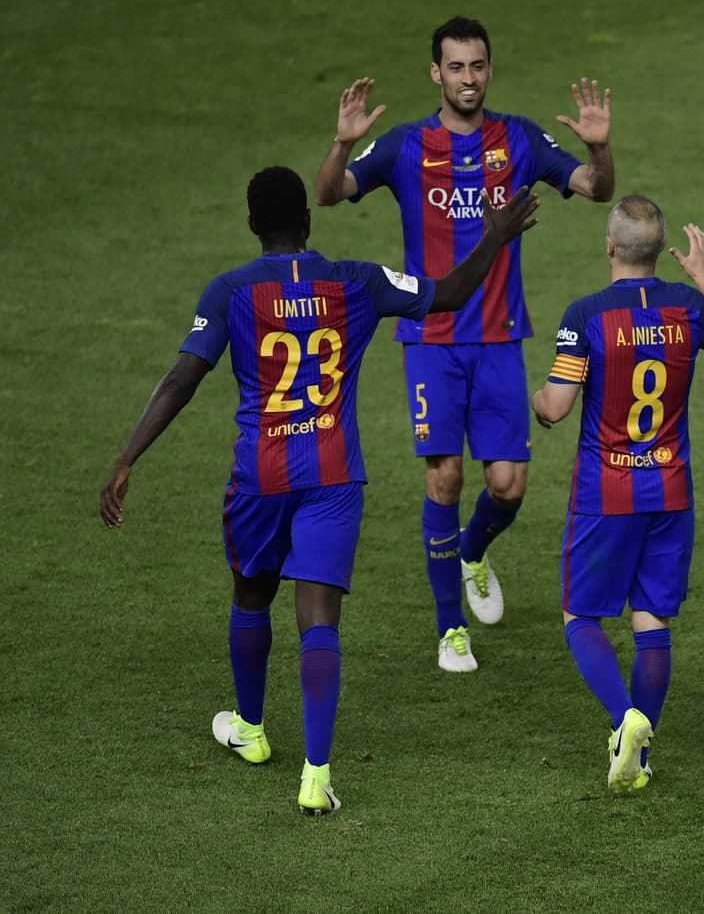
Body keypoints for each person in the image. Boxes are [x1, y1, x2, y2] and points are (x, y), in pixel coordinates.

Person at [99, 167, 538, 814]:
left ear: (254, 227)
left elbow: (181, 378)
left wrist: (128, 457)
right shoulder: (357, 281)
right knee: (319, 620)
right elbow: (447, 294)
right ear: (308, 219)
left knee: (252, 595)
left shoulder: (229, 292)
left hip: (261, 476)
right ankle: (316, 773)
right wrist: (494, 237)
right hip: (333, 473)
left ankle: (249, 730)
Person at [314, 16, 615, 673]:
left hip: (501, 336)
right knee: (445, 477)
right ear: (436, 74)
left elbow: (597, 190)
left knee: (507, 487)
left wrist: (598, 150)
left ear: (488, 69)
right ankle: (451, 628)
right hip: (430, 336)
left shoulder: (520, 139)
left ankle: (473, 552)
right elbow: (329, 194)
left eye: (477, 66)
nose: (468, 78)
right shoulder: (402, 146)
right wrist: (342, 145)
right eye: (456, 67)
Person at [531, 196, 704, 794]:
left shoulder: (587, 315)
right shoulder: (688, 306)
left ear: (610, 245)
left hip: (607, 490)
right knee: (652, 620)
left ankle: (626, 716)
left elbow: (558, 403)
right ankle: (641, 759)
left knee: (581, 615)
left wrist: (538, 406)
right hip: (671, 489)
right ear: (657, 250)